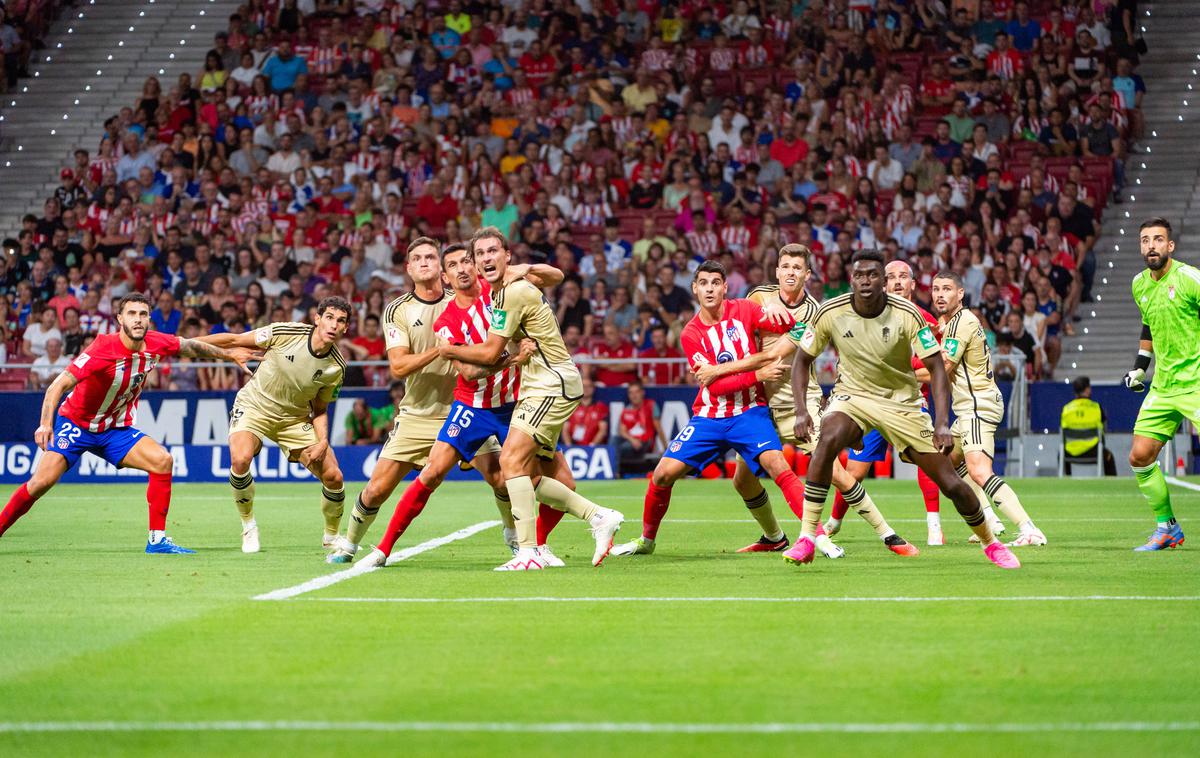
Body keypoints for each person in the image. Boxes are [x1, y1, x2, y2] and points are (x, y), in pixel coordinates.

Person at [356, 243, 589, 569]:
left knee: (559, 481)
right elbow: (467, 371)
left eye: (467, 260)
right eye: (453, 265)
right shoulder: (448, 320)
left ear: (476, 265)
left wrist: (522, 268)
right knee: (432, 472)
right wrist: (513, 359)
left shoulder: (502, 292)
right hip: (472, 405)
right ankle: (382, 549)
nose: (462, 268)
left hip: (516, 403)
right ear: (446, 277)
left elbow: (556, 275)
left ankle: (536, 543)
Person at [786, 249, 1021, 569]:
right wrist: (802, 411)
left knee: (950, 481)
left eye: (873, 275)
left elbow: (938, 368)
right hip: (852, 397)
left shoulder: (907, 314)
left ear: (883, 281)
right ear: (851, 279)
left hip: (903, 403)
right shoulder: (830, 311)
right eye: (859, 275)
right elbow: (800, 361)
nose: (866, 281)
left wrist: (941, 422)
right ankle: (806, 538)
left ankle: (990, 543)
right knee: (826, 440)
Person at [692, 245, 918, 556]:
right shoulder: (758, 297)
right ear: (777, 271)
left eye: (797, 268)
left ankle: (888, 535)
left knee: (835, 471)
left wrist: (715, 370)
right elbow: (735, 322)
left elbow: (775, 354)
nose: (790, 273)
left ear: (807, 275)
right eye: (785, 266)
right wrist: (761, 312)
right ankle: (774, 537)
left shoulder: (812, 311)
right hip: (757, 406)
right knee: (742, 481)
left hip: (799, 405)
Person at [610, 260, 832, 559]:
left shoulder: (746, 309)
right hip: (709, 417)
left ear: (725, 287)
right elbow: (714, 387)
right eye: (704, 283)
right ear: (695, 289)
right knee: (662, 475)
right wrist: (759, 373)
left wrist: (784, 317)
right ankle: (647, 540)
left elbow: (802, 327)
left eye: (716, 282)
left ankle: (816, 536)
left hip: (750, 412)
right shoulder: (691, 333)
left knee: (778, 466)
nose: (710, 288)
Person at [0, 293, 253, 553]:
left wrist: (229, 355)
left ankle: (157, 541)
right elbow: (58, 385)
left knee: (162, 461)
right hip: (77, 425)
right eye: (131, 314)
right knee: (40, 483)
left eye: (143, 314)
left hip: (114, 430)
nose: (138, 320)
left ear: (149, 319)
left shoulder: (156, 342)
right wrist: (45, 424)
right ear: (120, 319)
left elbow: (192, 346)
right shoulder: (102, 347)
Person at [438, 227, 624, 571]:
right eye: (480, 254)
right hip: (544, 385)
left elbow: (493, 350)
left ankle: (528, 551)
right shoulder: (501, 293)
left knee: (509, 462)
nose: (486, 259)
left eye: (493, 251)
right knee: (525, 471)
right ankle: (597, 516)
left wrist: (449, 348)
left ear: (507, 256)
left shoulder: (513, 291)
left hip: (550, 384)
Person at [198, 297, 352, 553]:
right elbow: (234, 340)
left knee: (334, 477)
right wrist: (181, 345)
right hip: (254, 406)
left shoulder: (336, 367)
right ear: (317, 318)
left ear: (346, 328)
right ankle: (248, 526)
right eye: (329, 317)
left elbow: (321, 409)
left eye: (341, 321)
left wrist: (323, 441)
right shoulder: (286, 332)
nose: (334, 325)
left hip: (293, 419)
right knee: (240, 459)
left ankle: (331, 536)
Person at [829, 260, 953, 546]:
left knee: (928, 461)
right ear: (883, 284)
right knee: (855, 471)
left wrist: (903, 373)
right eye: (891, 277)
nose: (897, 281)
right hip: (870, 402)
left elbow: (941, 367)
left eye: (903, 277)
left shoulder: (925, 320)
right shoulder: (869, 315)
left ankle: (934, 527)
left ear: (912, 284)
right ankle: (834, 521)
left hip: (910, 403)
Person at [932, 271, 1047, 546]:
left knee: (980, 470)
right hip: (969, 407)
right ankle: (988, 519)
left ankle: (1028, 528)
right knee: (946, 459)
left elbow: (943, 367)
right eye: (936, 289)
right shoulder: (950, 323)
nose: (939, 294)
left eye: (947, 289)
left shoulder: (962, 322)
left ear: (960, 293)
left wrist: (902, 377)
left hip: (977, 405)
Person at [1124, 217, 1197, 551]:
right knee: (1140, 456)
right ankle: (1167, 528)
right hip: (1164, 386)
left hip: (1196, 382)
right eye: (1144, 240)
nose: (1150, 245)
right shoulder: (1139, 284)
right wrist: (1140, 367)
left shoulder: (1189, 279)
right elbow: (1148, 327)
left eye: (1157, 239)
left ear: (1170, 246)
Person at [1061, 376, 1117, 476]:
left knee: (1060, 454)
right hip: (1094, 452)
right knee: (1109, 457)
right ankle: (1112, 488)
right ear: (1087, 390)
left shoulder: (1066, 409)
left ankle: (1067, 483)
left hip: (1070, 453)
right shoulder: (1096, 407)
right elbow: (1104, 428)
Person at [615, 380, 665, 475]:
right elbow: (622, 431)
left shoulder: (651, 405)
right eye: (631, 393)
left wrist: (666, 448)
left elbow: (658, 428)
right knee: (614, 440)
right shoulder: (626, 410)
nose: (634, 395)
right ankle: (614, 471)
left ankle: (615, 472)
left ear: (642, 393)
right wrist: (632, 440)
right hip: (631, 442)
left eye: (636, 392)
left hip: (644, 442)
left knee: (620, 447)